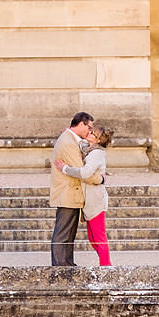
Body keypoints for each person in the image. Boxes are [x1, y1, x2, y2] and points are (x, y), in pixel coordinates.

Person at [56, 124, 113, 267]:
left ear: (98, 140)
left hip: (95, 200)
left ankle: (106, 268)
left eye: (92, 133)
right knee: (93, 238)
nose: (89, 133)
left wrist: (65, 169)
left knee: (99, 237)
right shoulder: (89, 149)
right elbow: (79, 145)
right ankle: (106, 265)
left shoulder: (97, 154)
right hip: (89, 200)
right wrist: (68, 134)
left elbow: (85, 173)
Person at [49, 111, 95, 265]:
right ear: (81, 124)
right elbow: (81, 170)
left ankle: (67, 263)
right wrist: (100, 178)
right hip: (67, 194)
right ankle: (59, 266)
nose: (90, 131)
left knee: (69, 233)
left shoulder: (71, 139)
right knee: (63, 233)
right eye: (89, 127)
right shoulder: (68, 142)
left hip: (71, 194)